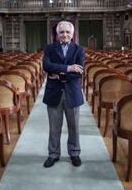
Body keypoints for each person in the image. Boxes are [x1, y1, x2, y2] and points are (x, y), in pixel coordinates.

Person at [42, 21, 85, 168]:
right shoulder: (49, 48)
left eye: (67, 32)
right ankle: (53, 154)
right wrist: (68, 68)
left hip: (72, 93)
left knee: (74, 127)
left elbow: (79, 73)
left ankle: (74, 153)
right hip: (54, 93)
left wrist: (59, 74)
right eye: (62, 32)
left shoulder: (79, 50)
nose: (65, 35)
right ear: (57, 34)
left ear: (72, 35)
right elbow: (46, 66)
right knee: (54, 127)